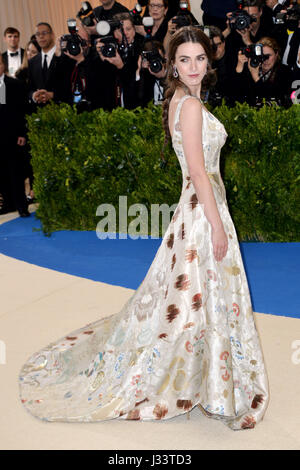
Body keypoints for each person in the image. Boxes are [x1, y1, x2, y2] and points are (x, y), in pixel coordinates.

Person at [19, 26, 269, 430]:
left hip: (197, 207)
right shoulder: (188, 106)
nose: (193, 67)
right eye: (184, 60)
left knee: (194, 295)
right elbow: (201, 175)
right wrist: (218, 226)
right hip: (204, 210)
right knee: (199, 294)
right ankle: (205, 381)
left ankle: (205, 378)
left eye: (200, 59)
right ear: (172, 64)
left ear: (209, 61)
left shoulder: (181, 99)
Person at [0, 53, 29, 217]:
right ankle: (8, 204)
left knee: (16, 174)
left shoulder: (15, 85)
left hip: (13, 136)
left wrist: (22, 133)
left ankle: (21, 206)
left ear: (3, 65)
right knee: (1, 173)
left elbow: (22, 112)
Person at [230, 36, 293, 106]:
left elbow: (272, 98)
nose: (265, 60)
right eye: (261, 56)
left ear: (276, 54)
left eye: (268, 56)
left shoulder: (285, 72)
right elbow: (234, 94)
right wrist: (239, 68)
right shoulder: (251, 68)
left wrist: (256, 78)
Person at [27, 23, 57, 108]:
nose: (41, 37)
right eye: (38, 34)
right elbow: (28, 89)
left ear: (52, 35)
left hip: (63, 111)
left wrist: (53, 95)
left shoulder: (64, 57)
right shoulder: (32, 62)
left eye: (44, 33)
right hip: (39, 113)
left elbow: (71, 88)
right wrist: (34, 95)